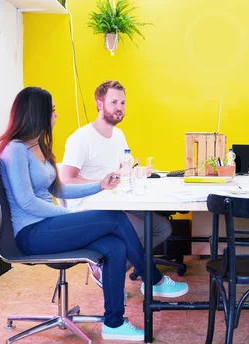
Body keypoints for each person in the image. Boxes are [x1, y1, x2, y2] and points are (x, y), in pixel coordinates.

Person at [0, 86, 188, 341]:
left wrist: (100, 185)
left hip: (47, 226)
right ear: (36, 113)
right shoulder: (15, 150)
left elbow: (59, 188)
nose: (55, 115)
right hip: (31, 233)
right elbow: (27, 202)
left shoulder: (38, 148)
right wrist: (64, 217)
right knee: (114, 217)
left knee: (114, 245)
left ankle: (114, 323)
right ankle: (152, 278)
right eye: (51, 110)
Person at [59, 80, 173, 287]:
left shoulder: (118, 135)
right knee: (147, 230)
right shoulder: (81, 138)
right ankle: (135, 277)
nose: (119, 108)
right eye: (114, 102)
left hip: (114, 202)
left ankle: (108, 272)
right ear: (99, 104)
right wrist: (101, 183)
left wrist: (137, 172)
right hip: (88, 207)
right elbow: (66, 180)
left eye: (122, 103)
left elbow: (123, 170)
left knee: (162, 228)